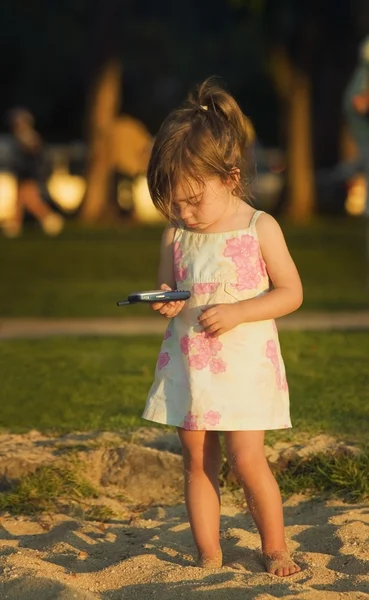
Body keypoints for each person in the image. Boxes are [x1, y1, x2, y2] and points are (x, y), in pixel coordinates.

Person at [142, 79, 303, 577]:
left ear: (230, 177)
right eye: (174, 203)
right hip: (190, 361)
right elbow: (172, 286)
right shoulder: (176, 233)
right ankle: (208, 554)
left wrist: (238, 311)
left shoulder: (259, 226)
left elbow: (291, 293)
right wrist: (167, 303)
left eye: (192, 200)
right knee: (196, 459)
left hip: (243, 365)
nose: (184, 212)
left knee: (247, 456)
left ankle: (275, 547)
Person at [3, 108, 64, 237]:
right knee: (20, 199)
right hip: (23, 173)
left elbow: (34, 156)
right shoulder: (21, 136)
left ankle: (49, 219)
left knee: (30, 199)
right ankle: (15, 224)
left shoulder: (28, 136)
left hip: (30, 174)